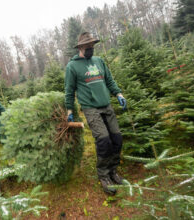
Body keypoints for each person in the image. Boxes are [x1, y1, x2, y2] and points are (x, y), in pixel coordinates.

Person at [65, 32, 127, 195]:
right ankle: (104, 176)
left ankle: (113, 170)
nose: (91, 49)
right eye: (88, 47)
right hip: (90, 108)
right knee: (103, 140)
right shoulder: (73, 66)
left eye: (92, 46)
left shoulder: (99, 61)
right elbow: (69, 91)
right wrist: (69, 110)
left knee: (117, 138)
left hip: (106, 105)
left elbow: (109, 80)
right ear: (80, 48)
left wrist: (118, 94)